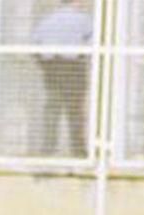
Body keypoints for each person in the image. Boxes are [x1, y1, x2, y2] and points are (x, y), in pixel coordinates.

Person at [31, 0, 93, 157]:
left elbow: (35, 45)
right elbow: (92, 45)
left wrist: (45, 65)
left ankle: (47, 150)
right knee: (75, 112)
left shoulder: (47, 20)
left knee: (52, 111)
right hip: (73, 69)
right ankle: (79, 152)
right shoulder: (84, 20)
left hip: (52, 68)